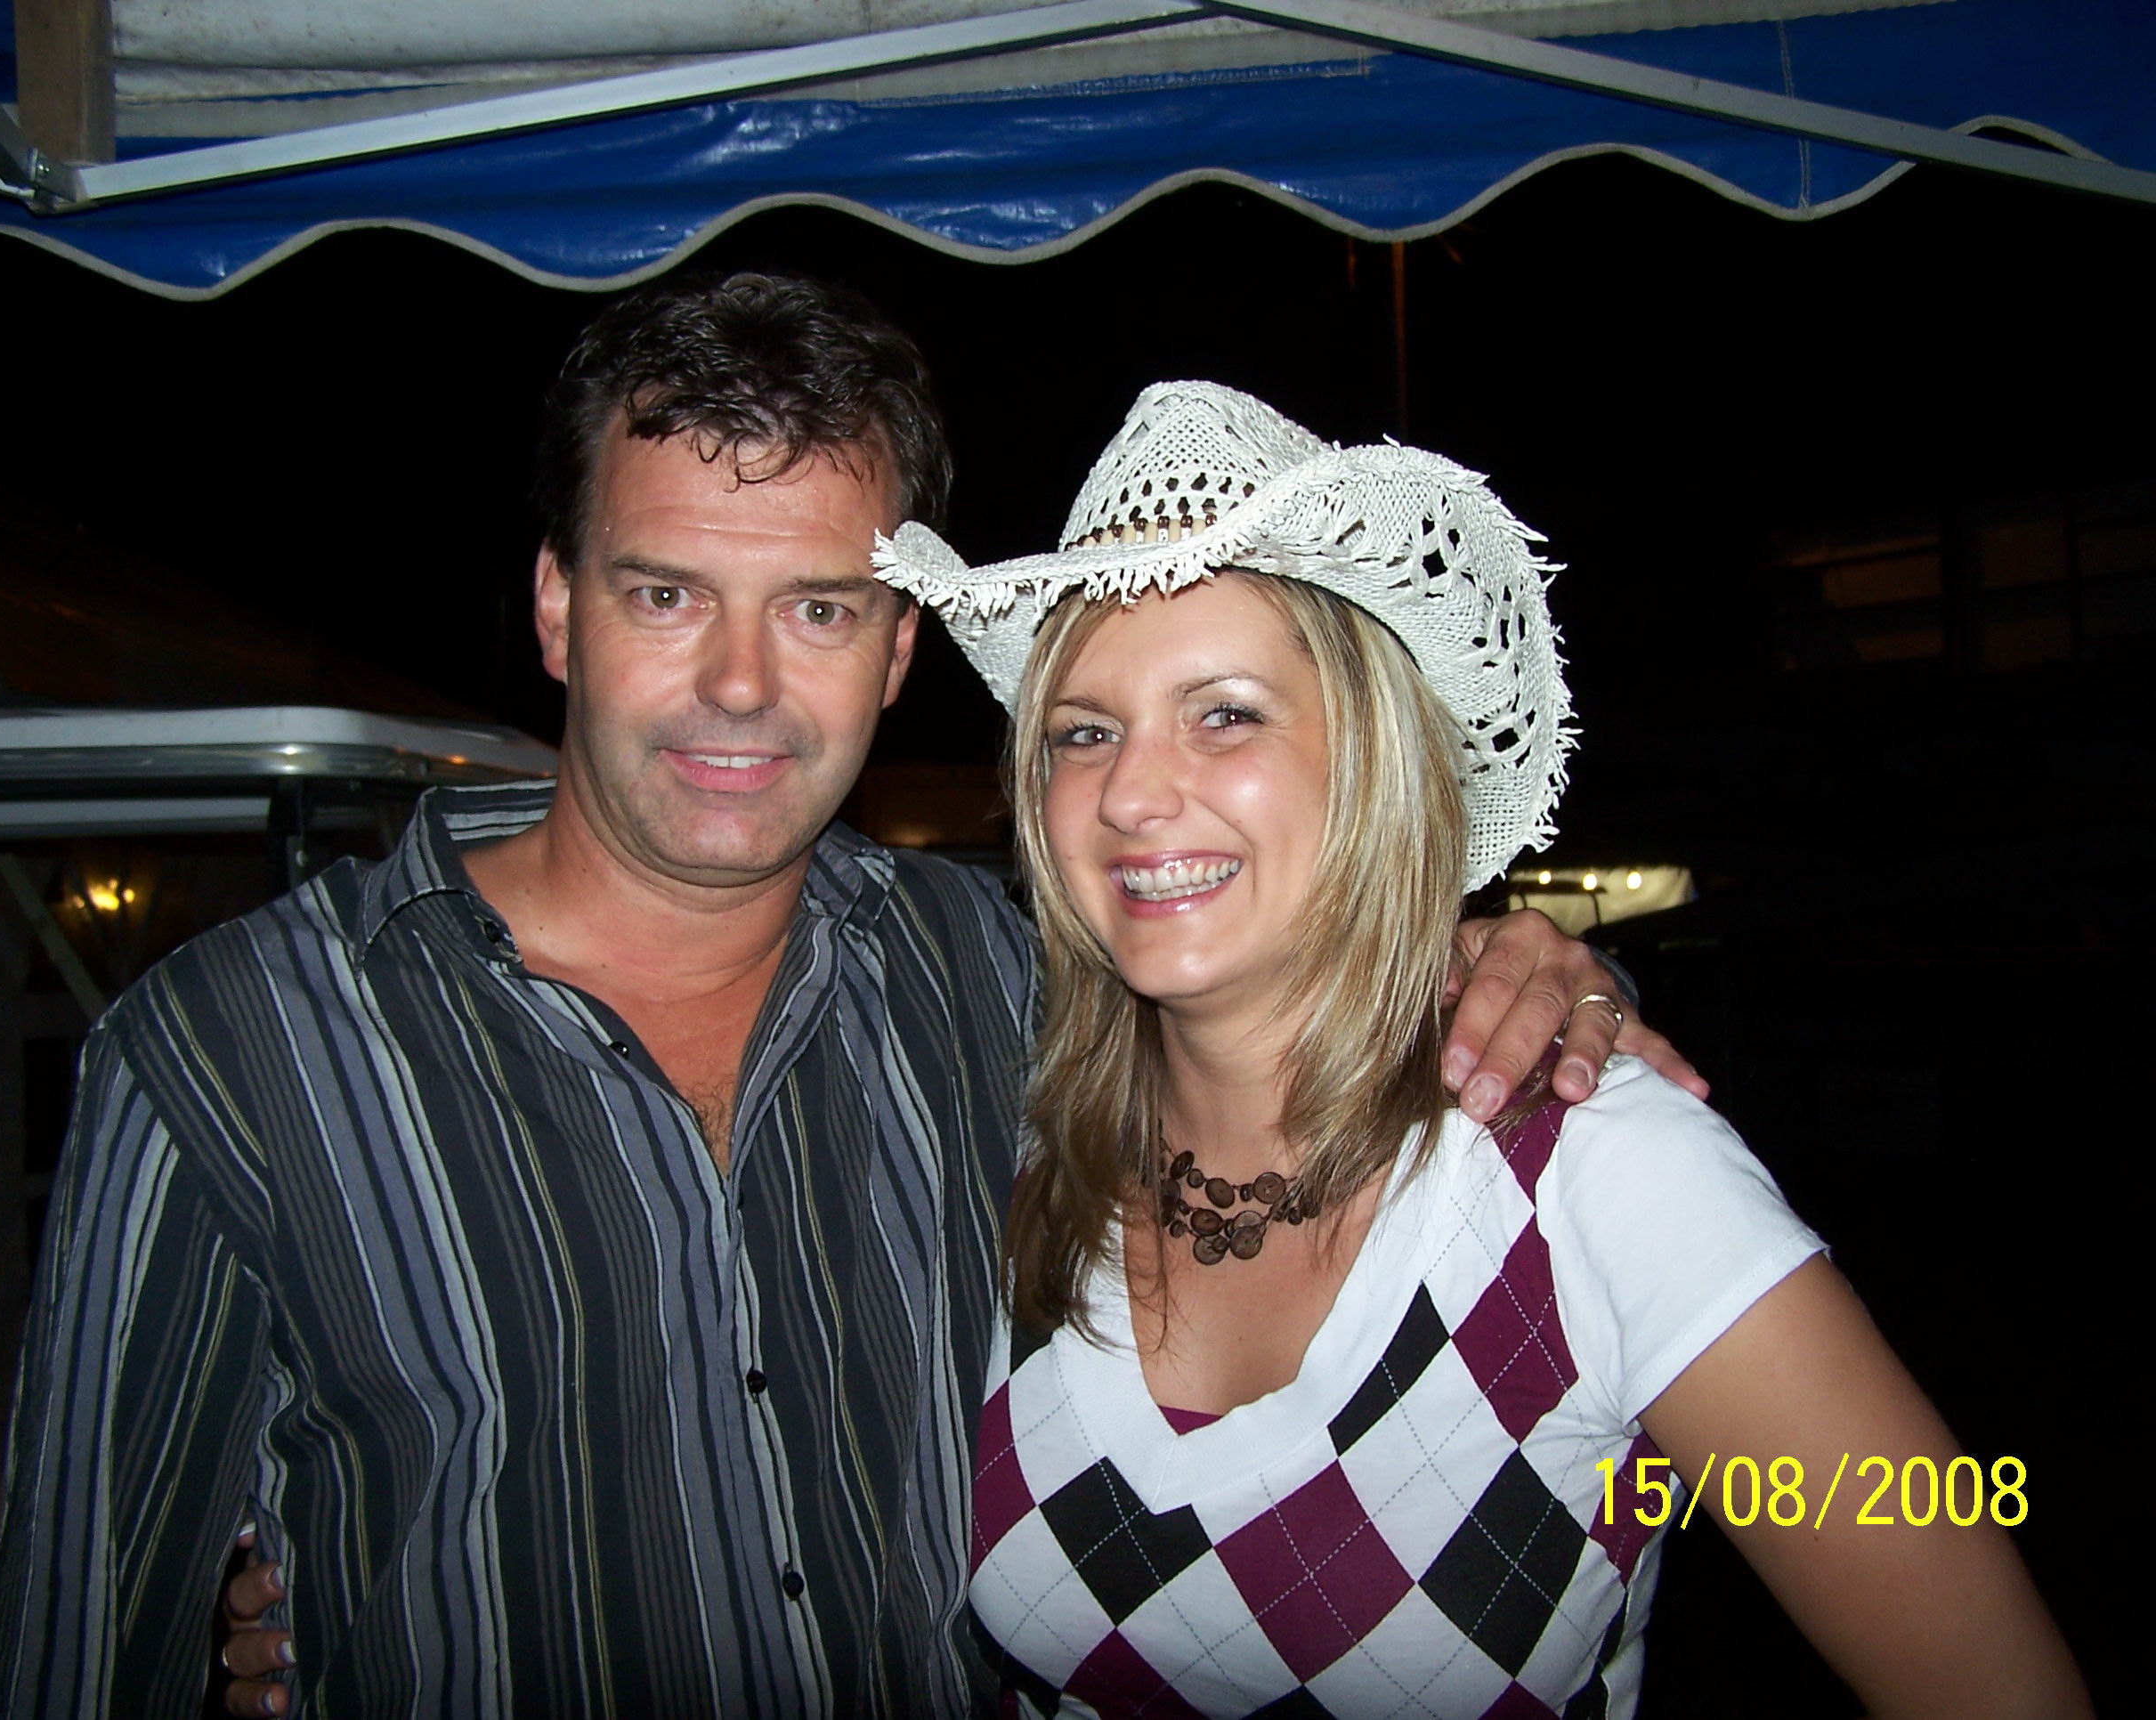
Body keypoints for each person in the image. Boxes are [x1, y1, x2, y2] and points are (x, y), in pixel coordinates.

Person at [0, 278, 1684, 1719]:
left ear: (897, 648)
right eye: (665, 594)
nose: (739, 683)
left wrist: (1525, 961)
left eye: (817, 607)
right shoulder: (223, 1057)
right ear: (558, 610)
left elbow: (1287, 980)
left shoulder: (1003, 975)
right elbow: (77, 1653)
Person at [869, 382, 2091, 1717]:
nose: (1130, 791)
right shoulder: (1011, 1151)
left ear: (1373, 760)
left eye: (1225, 713)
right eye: (1084, 732)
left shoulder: (1603, 1176)